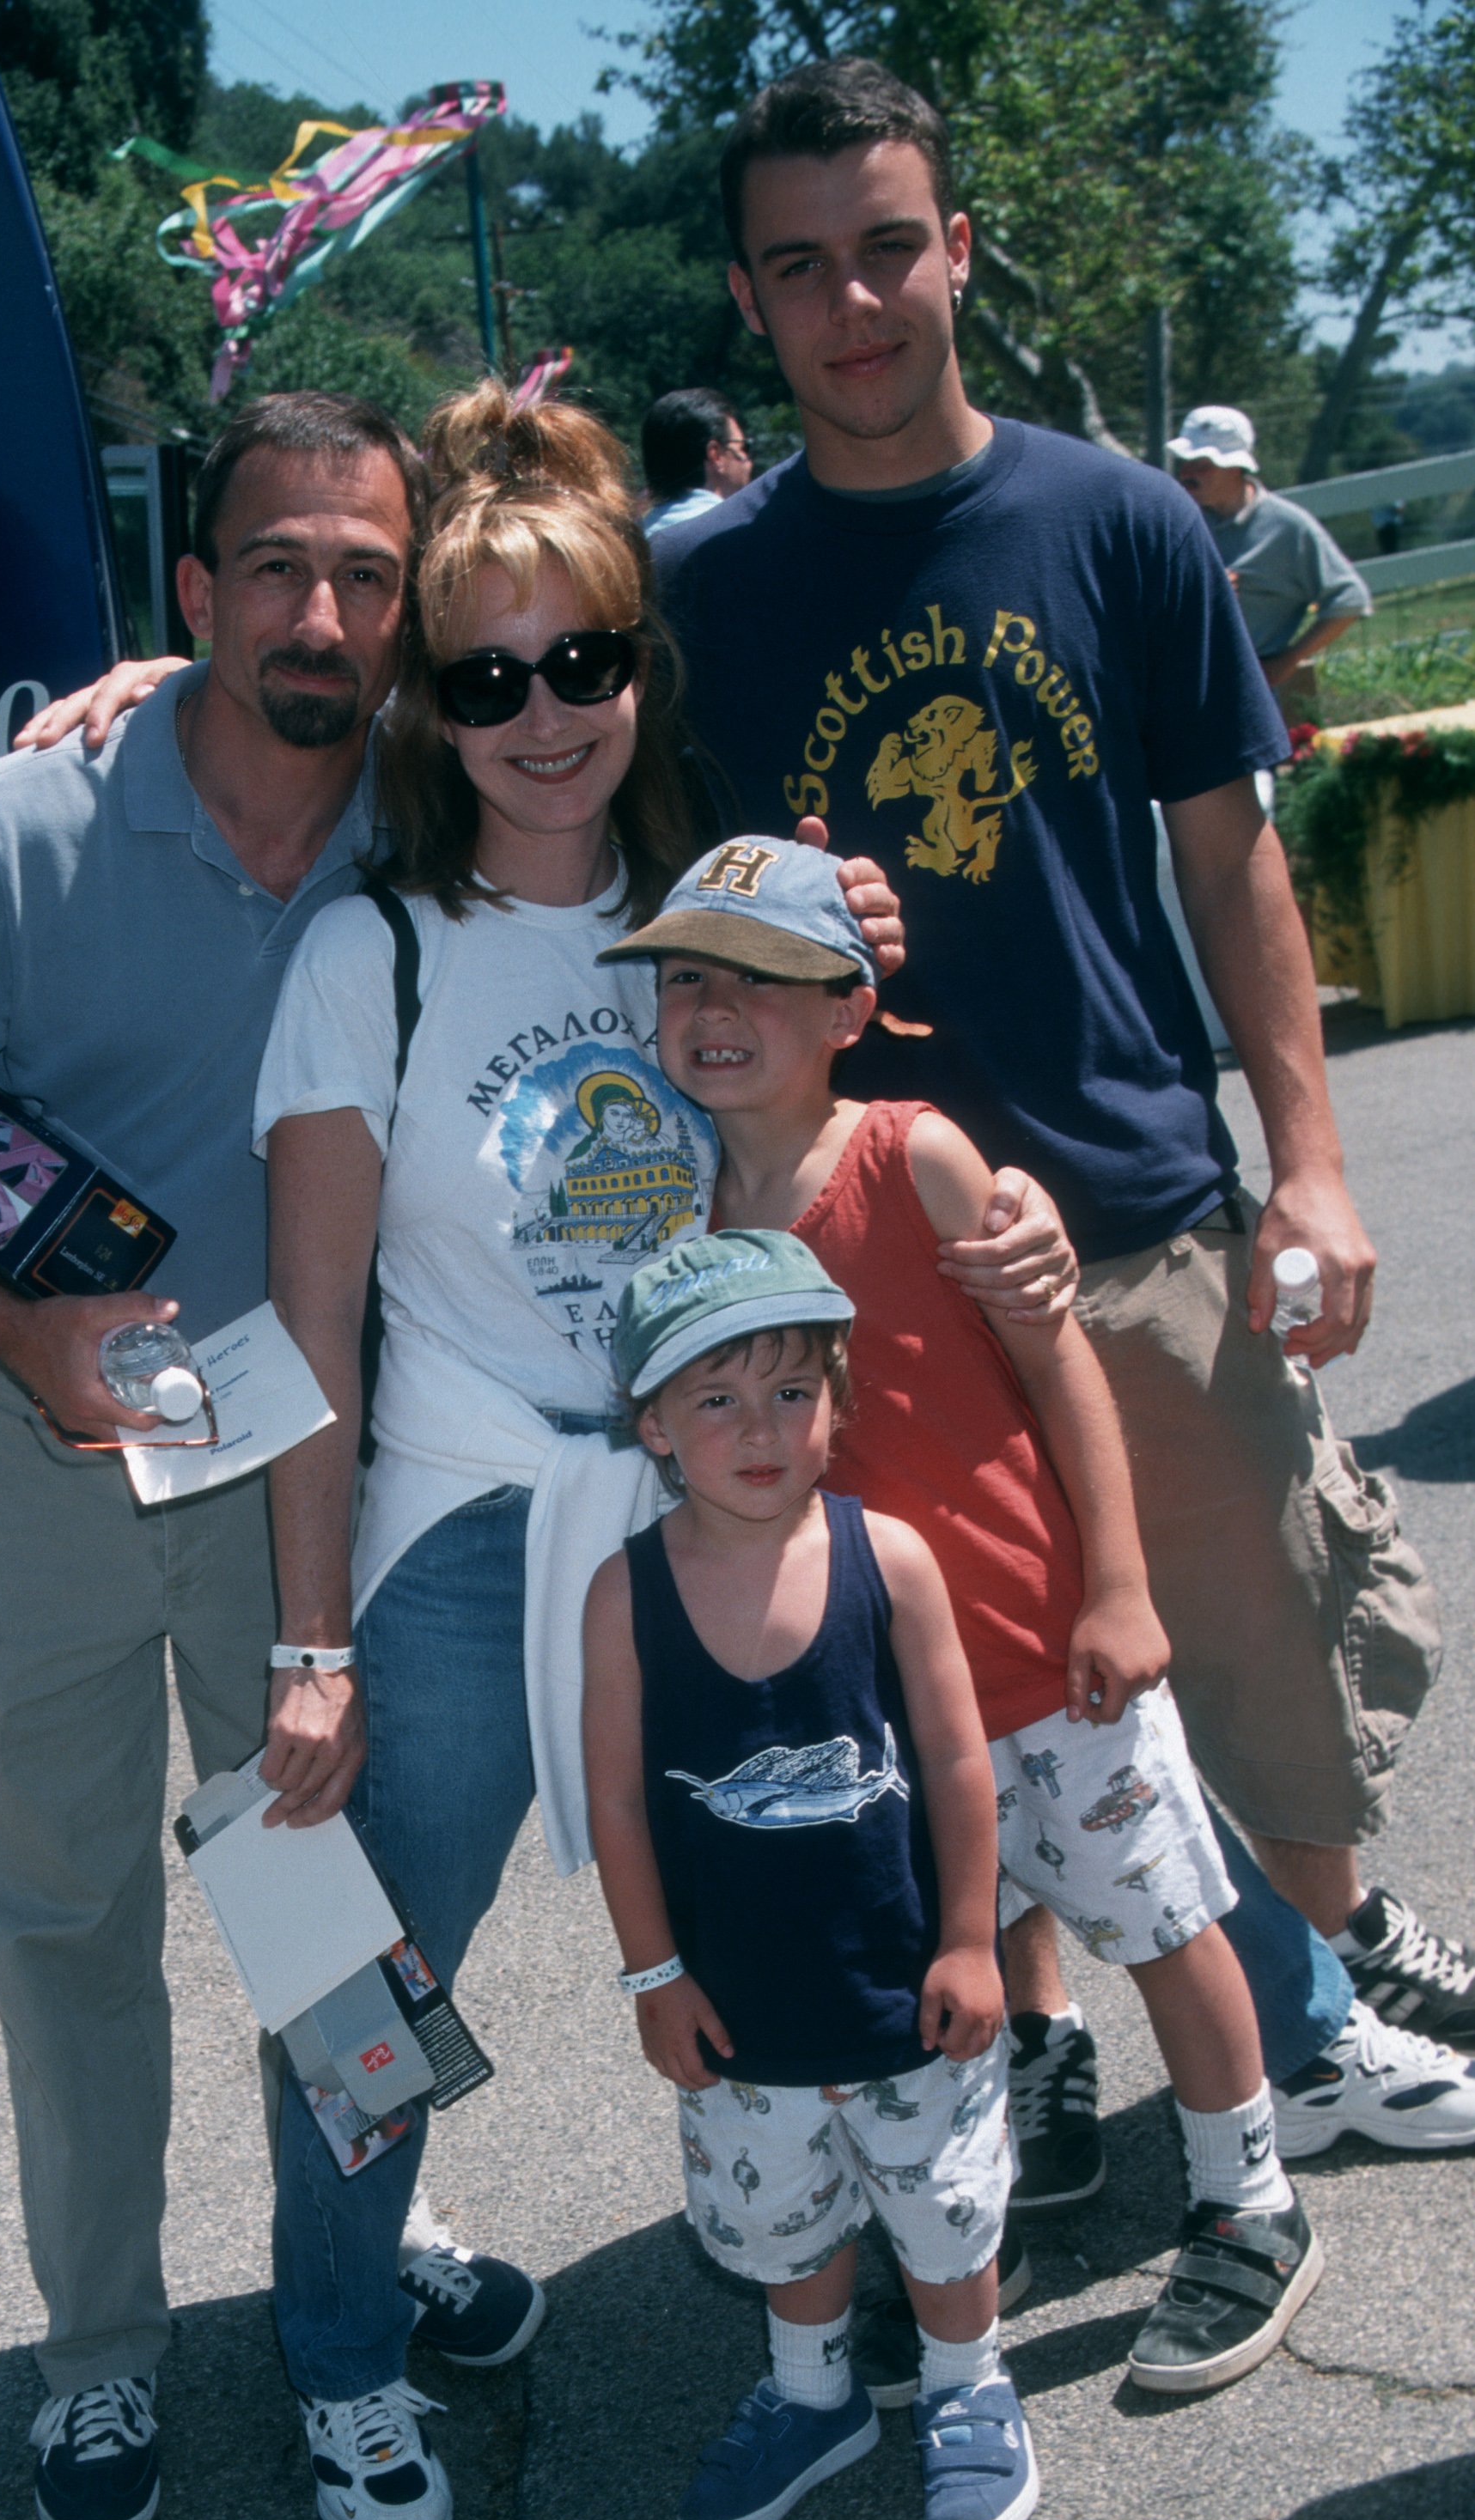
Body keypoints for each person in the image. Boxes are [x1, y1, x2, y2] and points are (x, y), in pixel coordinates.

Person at [0, 393, 540, 2520]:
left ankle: (372, 2244)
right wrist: (17, 1326)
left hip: (292, 1461)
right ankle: (103, 2355)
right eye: (274, 563)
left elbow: (623, 743)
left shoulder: (425, 811)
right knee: (70, 1933)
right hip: (37, 1471)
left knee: (316, 1912)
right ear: (191, 593)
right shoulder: (28, 828)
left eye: (369, 575)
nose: (322, 610)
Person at [647, 56, 1465, 2205]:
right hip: (869, 1251)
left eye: (892, 245)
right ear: (751, 299)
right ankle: (1052, 2037)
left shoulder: (1116, 520)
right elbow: (512, 765)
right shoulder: (706, 595)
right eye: (805, 265)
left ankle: (1305, 2026)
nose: (859, 302)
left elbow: (1235, 866)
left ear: (960, 251)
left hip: (1135, 1207)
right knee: (988, 1688)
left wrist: (1308, 1151)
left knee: (1256, 1651)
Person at [247, 384, 917, 2520]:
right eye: (487, 676)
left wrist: (852, 979)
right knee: (359, 1971)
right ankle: (341, 2361)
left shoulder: (718, 913)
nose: (545, 714)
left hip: (689, 1505)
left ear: (642, 661)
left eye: (585, 660)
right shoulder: (373, 952)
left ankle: (851, 2297)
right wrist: (312, 1635)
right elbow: (314, 1330)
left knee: (797, 1888)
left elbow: (822, 1142)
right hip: (454, 1516)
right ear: (433, 710)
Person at [604, 835, 1365, 2407]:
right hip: (881, 1703)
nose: (714, 1007)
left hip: (1045, 1654)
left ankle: (1248, 2198)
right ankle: (971, 2229)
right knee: (958, 1945)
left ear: (849, 1008)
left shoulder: (919, 1155)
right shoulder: (687, 1224)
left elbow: (1060, 1368)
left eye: (760, 977)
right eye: (685, 979)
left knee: (1164, 1921)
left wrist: (1119, 1582)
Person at [585, 1226, 1040, 2520]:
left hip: (903, 1982)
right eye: (713, 1399)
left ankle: (967, 2390)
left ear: (838, 1402)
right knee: (782, 2219)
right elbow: (616, 1802)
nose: (757, 1428)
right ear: (653, 1427)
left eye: (791, 1390)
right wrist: (652, 1974)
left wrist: (969, 1938)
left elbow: (958, 1758)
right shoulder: (622, 1594)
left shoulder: (886, 1558)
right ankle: (813, 2400)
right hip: (733, 2006)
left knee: (941, 2211)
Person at [1167, 405, 1372, 717]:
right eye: (1185, 462)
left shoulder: (1286, 527)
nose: (1188, 473)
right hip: (1175, 688)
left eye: (1203, 464)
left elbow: (1349, 599)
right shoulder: (1175, 521)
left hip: (1247, 693)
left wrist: (1286, 662)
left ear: (1236, 467)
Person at [640, 386, 753, 538]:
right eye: (744, 447)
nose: (748, 461)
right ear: (716, 455)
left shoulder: (634, 541)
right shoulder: (741, 533)